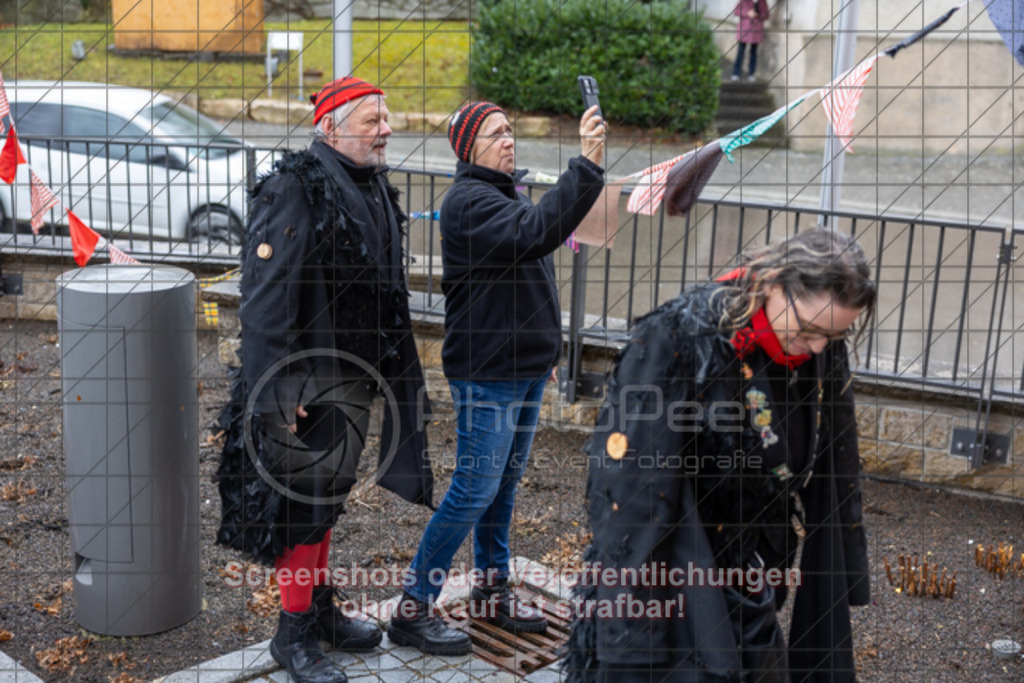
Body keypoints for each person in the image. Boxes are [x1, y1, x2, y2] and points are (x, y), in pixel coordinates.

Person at [565, 228, 875, 682]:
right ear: (773, 283)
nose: (818, 348)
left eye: (833, 335)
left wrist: (838, 561)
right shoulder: (680, 336)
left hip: (752, 571)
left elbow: (835, 451)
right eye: (810, 331)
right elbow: (629, 488)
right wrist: (631, 624)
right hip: (668, 575)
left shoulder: (818, 335)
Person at [215, 76, 434, 683]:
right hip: (306, 389)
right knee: (300, 511)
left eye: (386, 118)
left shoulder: (374, 186)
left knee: (325, 505)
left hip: (355, 380)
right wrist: (278, 392)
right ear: (331, 127)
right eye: (372, 120)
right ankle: (293, 634)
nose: (386, 129)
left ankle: (318, 610)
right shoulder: (294, 187)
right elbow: (264, 298)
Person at [387, 100, 607, 655]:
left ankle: (491, 591)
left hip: (525, 367)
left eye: (510, 130)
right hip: (488, 373)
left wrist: (545, 347)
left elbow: (533, 275)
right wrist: (586, 165)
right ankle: (412, 610)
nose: (508, 140)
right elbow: (536, 233)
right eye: (494, 134)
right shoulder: (467, 201)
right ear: (468, 149)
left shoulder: (507, 192)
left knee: (502, 488)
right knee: (473, 490)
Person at [732, 0, 770, 81]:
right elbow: (736, 11)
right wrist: (747, 13)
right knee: (741, 52)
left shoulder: (762, 2)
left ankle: (751, 74)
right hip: (744, 29)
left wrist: (758, 14)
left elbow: (766, 15)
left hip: (756, 31)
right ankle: (736, 73)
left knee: (754, 53)